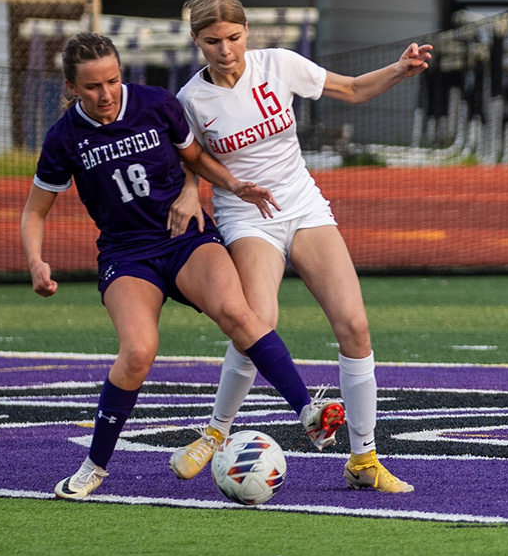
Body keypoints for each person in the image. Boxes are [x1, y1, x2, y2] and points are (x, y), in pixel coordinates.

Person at [23, 33, 346, 500]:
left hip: (185, 237)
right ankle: (94, 466)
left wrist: (234, 185)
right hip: (126, 254)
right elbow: (35, 212)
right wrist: (36, 261)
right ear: (71, 87)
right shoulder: (63, 137)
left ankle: (307, 413)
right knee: (138, 351)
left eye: (112, 80)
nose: (106, 93)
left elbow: (194, 157)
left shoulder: (155, 103)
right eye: (92, 86)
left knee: (239, 313)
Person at [167, 0, 432, 494]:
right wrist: (186, 192)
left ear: (247, 31)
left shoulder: (279, 65)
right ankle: (214, 433)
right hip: (246, 217)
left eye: (234, 37)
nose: (226, 50)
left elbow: (352, 90)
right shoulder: (190, 100)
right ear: (196, 41)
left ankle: (364, 459)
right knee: (258, 322)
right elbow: (190, 158)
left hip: (304, 204)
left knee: (355, 325)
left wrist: (400, 69)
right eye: (212, 41)